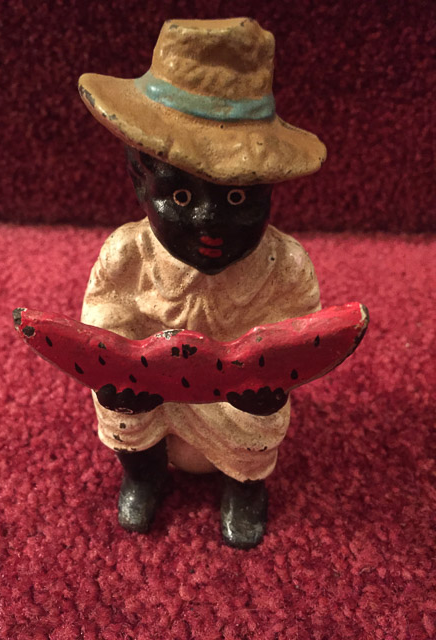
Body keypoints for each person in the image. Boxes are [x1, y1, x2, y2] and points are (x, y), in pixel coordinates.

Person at [79, 17, 326, 548]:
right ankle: (143, 474)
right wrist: (120, 356)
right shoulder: (127, 252)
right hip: (153, 394)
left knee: (257, 422)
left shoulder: (285, 264)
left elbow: (299, 331)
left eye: (238, 198)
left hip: (237, 403)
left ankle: (244, 487)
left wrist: (267, 372)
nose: (209, 224)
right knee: (121, 406)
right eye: (181, 197)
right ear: (140, 180)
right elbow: (103, 311)